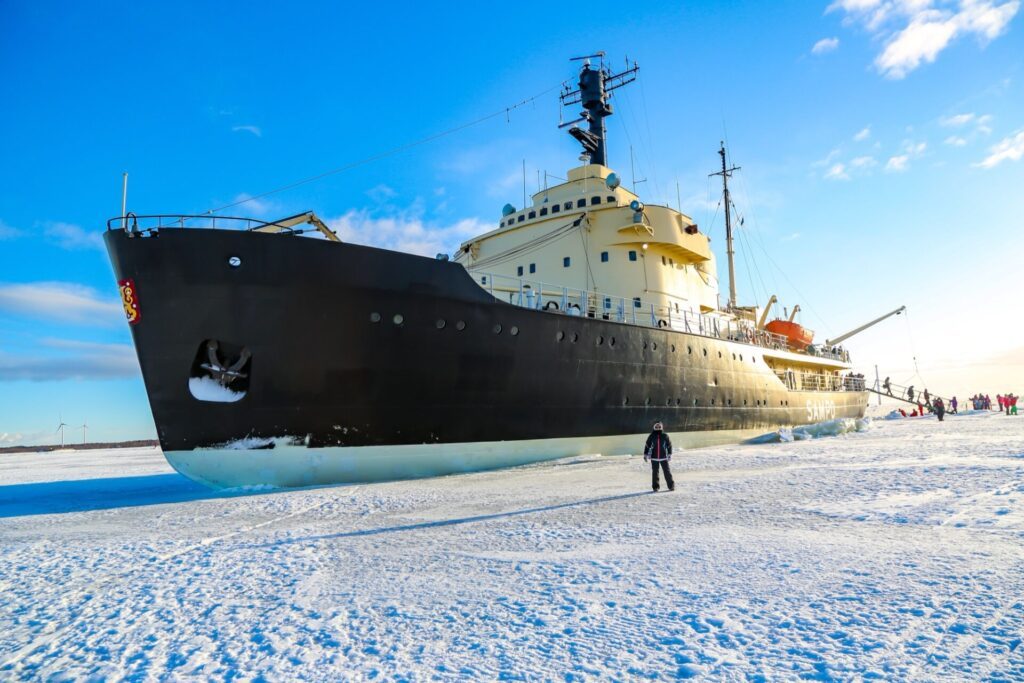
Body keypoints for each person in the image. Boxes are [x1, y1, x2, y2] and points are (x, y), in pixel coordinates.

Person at [644, 422, 674, 492]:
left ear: (662, 427)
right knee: (655, 473)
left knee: (667, 472)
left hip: (663, 457)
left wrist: (669, 454)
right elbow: (647, 445)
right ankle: (655, 487)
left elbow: (669, 445)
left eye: (659, 427)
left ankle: (671, 486)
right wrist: (645, 454)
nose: (658, 428)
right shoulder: (651, 436)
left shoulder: (665, 435)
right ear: (654, 428)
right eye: (656, 427)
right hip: (654, 457)